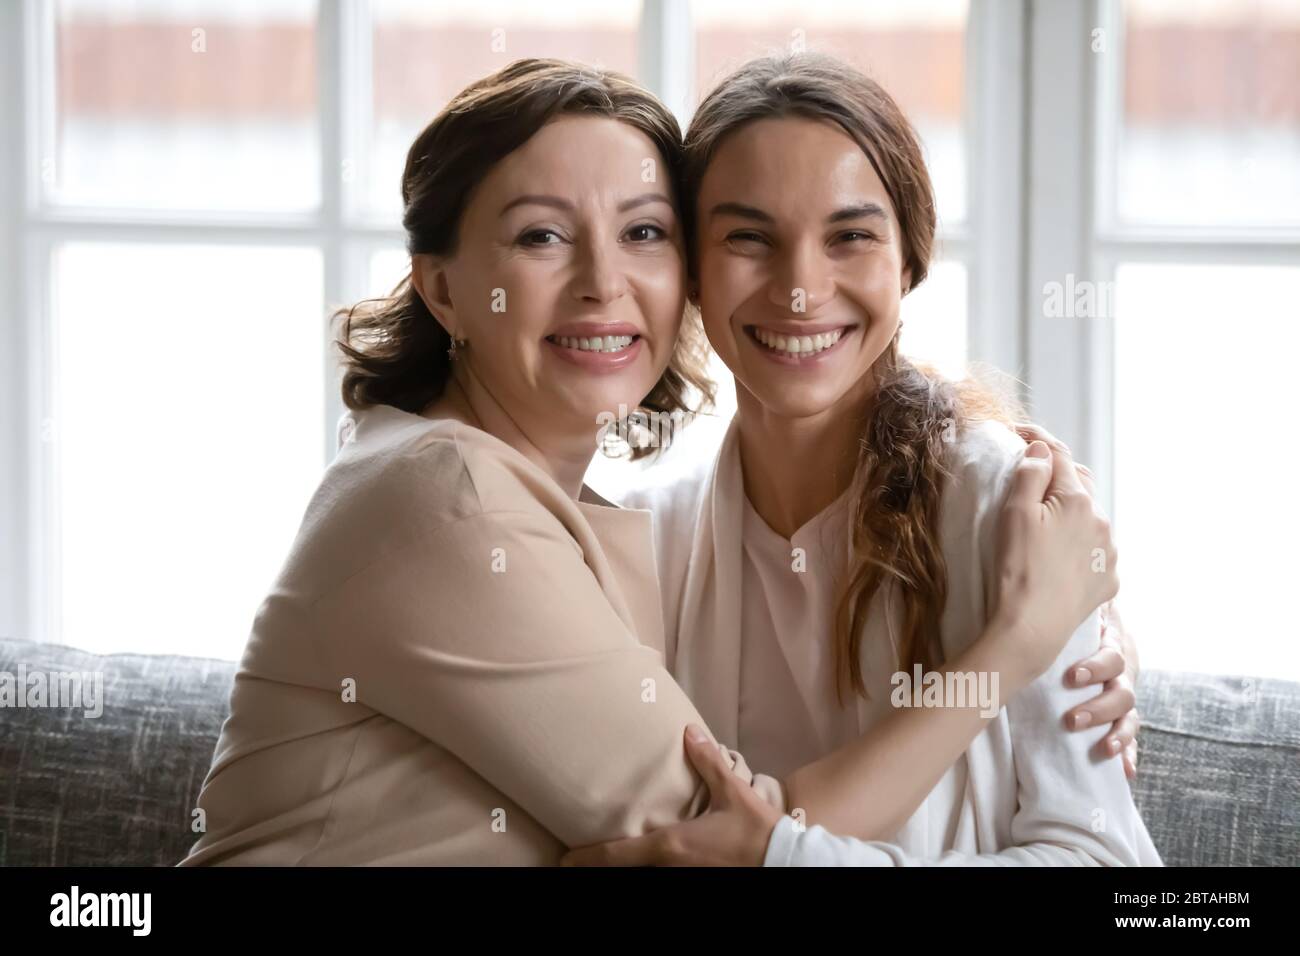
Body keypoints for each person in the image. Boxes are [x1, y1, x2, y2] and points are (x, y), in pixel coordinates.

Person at [180, 59, 1134, 866]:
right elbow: (703, 844)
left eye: (641, 232)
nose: (802, 288)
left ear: (910, 262)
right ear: (440, 286)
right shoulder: (561, 517)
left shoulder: (1017, 516)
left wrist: (1061, 632)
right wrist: (1007, 651)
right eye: (543, 235)